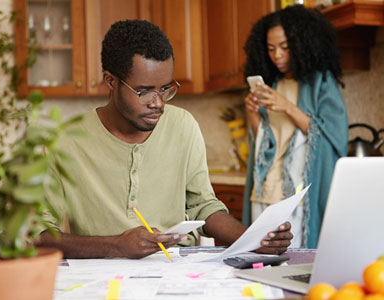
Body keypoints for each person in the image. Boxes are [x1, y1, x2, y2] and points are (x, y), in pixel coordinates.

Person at [37, 19, 293, 259]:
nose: (158, 103)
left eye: (165, 89)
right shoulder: (66, 140)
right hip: (103, 276)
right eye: (144, 91)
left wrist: (253, 238)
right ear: (110, 81)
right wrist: (116, 245)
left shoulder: (183, 126)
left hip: (177, 271)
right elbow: (39, 234)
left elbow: (203, 206)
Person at [242, 5, 348, 249]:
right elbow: (266, 145)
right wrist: (253, 115)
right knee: (261, 262)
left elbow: (334, 136)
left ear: (301, 45)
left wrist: (287, 106)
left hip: (298, 197)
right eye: (270, 49)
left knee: (293, 265)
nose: (277, 55)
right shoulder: (273, 85)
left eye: (284, 47)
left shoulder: (320, 83)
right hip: (264, 191)